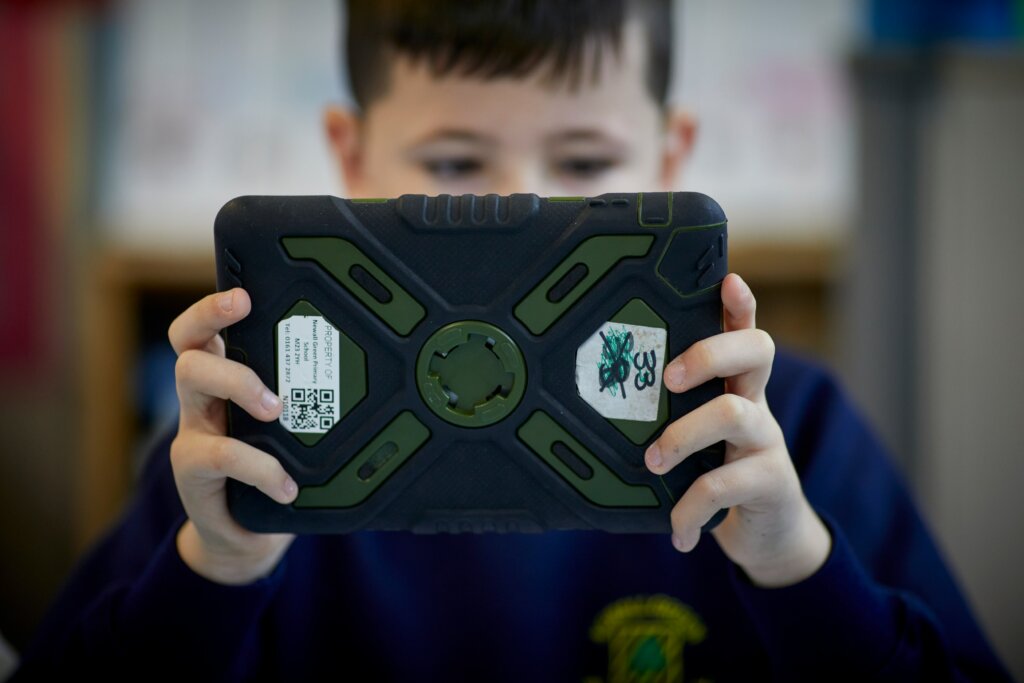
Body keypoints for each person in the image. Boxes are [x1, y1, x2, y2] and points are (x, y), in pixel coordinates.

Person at [11, 1, 1012, 681]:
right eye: (453, 160)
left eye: (584, 159)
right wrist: (212, 567)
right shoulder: (261, 445)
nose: (522, 211)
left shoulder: (784, 432)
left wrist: (795, 563)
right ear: (350, 160)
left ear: (669, 160)